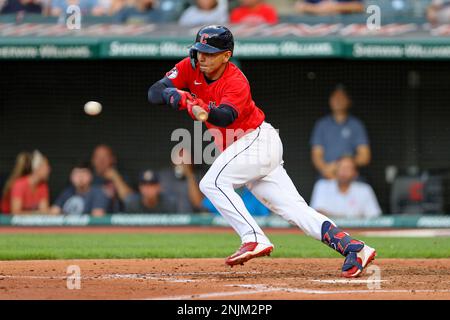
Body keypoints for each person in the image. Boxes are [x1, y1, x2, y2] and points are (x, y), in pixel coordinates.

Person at [147, 25, 376, 278]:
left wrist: (196, 104)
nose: (202, 57)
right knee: (295, 210)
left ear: (226, 55)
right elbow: (154, 92)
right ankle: (355, 249)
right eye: (200, 50)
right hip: (243, 149)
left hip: (256, 141)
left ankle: (253, 237)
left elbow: (224, 117)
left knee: (212, 183)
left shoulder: (237, 81)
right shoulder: (191, 67)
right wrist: (175, 96)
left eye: (210, 53)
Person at [310, 85, 371, 180]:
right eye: (335, 97)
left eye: (342, 97)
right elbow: (316, 155)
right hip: (326, 178)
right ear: (330, 100)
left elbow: (365, 156)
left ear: (349, 101)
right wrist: (327, 171)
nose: (338, 100)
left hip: (351, 179)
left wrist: (344, 166)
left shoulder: (356, 125)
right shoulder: (321, 124)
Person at [311, 156, 382, 219]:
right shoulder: (322, 185)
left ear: (355, 173)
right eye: (340, 167)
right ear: (335, 170)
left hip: (357, 231)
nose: (344, 171)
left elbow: (374, 216)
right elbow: (317, 214)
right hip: (329, 231)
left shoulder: (365, 189)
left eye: (348, 168)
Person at [158, 148, 204, 213]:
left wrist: (189, 174)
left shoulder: (198, 178)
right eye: (179, 159)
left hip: (192, 219)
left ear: (192, 162)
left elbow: (198, 203)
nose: (182, 162)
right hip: (168, 218)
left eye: (186, 160)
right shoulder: (165, 176)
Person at [91, 144, 132, 213]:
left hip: (120, 219)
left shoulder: (122, 177)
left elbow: (130, 200)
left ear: (113, 159)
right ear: (92, 160)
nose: (101, 160)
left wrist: (116, 178)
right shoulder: (89, 179)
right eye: (98, 157)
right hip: (95, 220)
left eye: (105, 156)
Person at [10, 150, 51, 215]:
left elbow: (44, 212)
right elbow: (15, 212)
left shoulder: (43, 186)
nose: (49, 169)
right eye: (46, 166)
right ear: (37, 168)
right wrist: (38, 213)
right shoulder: (19, 184)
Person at [202, 187, 270, 216]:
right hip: (219, 231)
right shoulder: (216, 191)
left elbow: (264, 217)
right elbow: (204, 212)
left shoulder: (256, 191)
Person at [294, 0, 364, 15]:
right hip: (318, 27)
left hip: (345, 26)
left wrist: (335, 7)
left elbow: (360, 6)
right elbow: (299, 5)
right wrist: (318, 9)